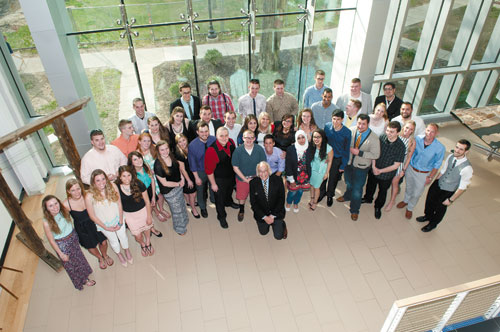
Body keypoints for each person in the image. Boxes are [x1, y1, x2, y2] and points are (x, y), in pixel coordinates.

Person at [417, 139, 473, 232]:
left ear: (466, 151)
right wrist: (435, 182)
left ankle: (433, 224)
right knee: (429, 201)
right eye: (457, 147)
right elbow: (443, 170)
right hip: (438, 183)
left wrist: (450, 200)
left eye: (461, 149)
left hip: (448, 190)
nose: (457, 150)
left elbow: (462, 187)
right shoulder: (451, 156)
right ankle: (428, 216)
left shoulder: (467, 168)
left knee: (440, 208)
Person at [42, 195, 95, 290]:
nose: (55, 207)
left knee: (80, 258)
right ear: (46, 209)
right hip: (63, 245)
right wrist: (61, 254)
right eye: (50, 206)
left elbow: (71, 199)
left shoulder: (63, 210)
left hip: (73, 238)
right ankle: (83, 280)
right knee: (72, 265)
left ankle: (86, 272)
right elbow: (51, 240)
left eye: (56, 203)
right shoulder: (46, 222)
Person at [85, 169, 133, 267]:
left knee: (123, 236)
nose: (101, 182)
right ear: (93, 182)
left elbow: (119, 203)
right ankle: (119, 254)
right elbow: (92, 216)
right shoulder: (89, 196)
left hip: (118, 218)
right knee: (113, 240)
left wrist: (120, 221)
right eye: (98, 180)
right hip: (104, 224)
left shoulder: (113, 186)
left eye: (103, 179)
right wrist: (105, 227)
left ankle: (127, 250)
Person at [397, 123, 445, 219]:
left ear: (436, 133)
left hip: (423, 174)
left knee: (417, 193)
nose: (429, 133)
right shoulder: (417, 139)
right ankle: (406, 201)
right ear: (425, 130)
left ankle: (410, 208)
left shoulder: (440, 148)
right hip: (411, 168)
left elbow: (437, 164)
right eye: (428, 130)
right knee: (409, 187)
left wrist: (430, 177)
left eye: (432, 132)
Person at [337, 114, 380, 221]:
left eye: (363, 124)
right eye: (359, 123)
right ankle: (347, 196)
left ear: (368, 124)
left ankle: (355, 210)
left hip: (361, 167)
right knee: (348, 182)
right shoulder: (350, 131)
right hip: (349, 164)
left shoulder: (374, 138)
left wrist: (360, 153)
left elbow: (376, 155)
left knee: (357, 189)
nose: (360, 126)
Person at [62, 179, 111, 270]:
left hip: (94, 222)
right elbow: (65, 221)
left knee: (103, 242)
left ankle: (105, 255)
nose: (77, 192)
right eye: (73, 190)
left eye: (78, 189)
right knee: (91, 246)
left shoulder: (88, 195)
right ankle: (100, 258)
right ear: (68, 191)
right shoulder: (66, 204)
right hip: (82, 228)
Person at [361, 121, 406, 219]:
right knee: (370, 185)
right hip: (374, 168)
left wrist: (380, 171)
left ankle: (378, 207)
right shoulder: (381, 137)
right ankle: (368, 198)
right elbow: (374, 152)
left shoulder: (401, 147)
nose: (388, 133)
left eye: (392, 132)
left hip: (386, 174)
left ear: (398, 133)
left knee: (382, 191)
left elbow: (396, 165)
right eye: (388, 130)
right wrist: (373, 166)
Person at [116, 166, 154, 257]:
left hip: (142, 211)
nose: (127, 178)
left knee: (147, 228)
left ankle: (148, 241)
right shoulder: (116, 187)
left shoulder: (138, 183)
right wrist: (122, 218)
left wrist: (149, 216)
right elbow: (118, 204)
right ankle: (142, 244)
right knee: (137, 236)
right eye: (124, 176)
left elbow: (147, 201)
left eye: (128, 175)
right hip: (129, 215)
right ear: (120, 177)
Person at [205, 127, 239, 228]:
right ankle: (221, 216)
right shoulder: (211, 150)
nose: (224, 138)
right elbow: (209, 170)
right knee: (219, 199)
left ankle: (229, 202)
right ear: (216, 136)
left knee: (229, 192)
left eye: (226, 135)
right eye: (221, 136)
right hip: (219, 179)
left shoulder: (231, 142)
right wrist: (213, 184)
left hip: (231, 176)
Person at [154, 140, 190, 235]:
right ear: (158, 151)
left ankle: (185, 220)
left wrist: (182, 178)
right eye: (162, 150)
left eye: (166, 149)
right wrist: (178, 184)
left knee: (182, 205)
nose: (165, 151)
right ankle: (180, 229)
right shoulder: (158, 165)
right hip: (170, 191)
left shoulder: (171, 156)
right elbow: (164, 183)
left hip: (178, 185)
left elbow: (178, 168)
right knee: (176, 211)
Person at [232, 129, 267, 221]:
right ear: (243, 138)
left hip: (257, 178)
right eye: (247, 137)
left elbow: (263, 164)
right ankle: (242, 210)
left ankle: (255, 208)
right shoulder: (238, 151)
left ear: (254, 139)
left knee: (256, 195)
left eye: (251, 138)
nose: (249, 140)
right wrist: (245, 179)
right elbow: (235, 167)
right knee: (242, 196)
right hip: (242, 178)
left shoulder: (259, 149)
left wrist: (259, 176)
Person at [136, 132, 171, 223]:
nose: (147, 143)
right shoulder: (137, 154)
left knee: (161, 194)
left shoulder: (154, 148)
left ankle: (161, 208)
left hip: (158, 175)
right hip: (148, 178)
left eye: (149, 141)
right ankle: (157, 211)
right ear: (139, 141)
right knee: (153, 196)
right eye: (144, 141)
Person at [128, 151, 164, 238]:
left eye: (139, 158)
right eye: (135, 159)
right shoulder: (132, 175)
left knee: (150, 210)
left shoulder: (145, 166)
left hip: (150, 190)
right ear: (131, 162)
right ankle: (152, 229)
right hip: (141, 195)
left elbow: (152, 180)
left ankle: (149, 227)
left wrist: (153, 196)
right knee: (146, 213)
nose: (139, 161)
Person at [320, 109, 351, 207]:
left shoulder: (347, 132)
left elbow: (346, 149)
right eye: (334, 119)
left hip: (337, 158)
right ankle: (322, 192)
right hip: (326, 156)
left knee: (333, 178)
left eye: (338, 119)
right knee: (323, 175)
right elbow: (323, 141)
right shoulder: (327, 127)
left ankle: (330, 195)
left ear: (342, 120)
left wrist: (343, 164)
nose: (335, 121)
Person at [250, 162, 288, 240]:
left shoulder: (278, 180)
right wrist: (265, 217)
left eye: (265, 171)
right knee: (263, 233)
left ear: (269, 171)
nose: (263, 174)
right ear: (257, 172)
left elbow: (281, 199)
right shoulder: (253, 183)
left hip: (276, 212)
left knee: (278, 236)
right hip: (262, 214)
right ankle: (269, 223)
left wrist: (272, 216)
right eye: (260, 171)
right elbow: (254, 203)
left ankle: (282, 224)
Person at [385, 121, 416, 211]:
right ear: (403, 128)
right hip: (390, 160)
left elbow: (409, 157)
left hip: (400, 164)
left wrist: (403, 170)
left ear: (413, 131)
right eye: (407, 128)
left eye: (411, 129)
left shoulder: (412, 142)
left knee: (395, 183)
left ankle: (392, 201)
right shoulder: (397, 135)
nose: (408, 130)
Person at [188, 121, 216, 218]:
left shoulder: (214, 140)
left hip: (212, 169)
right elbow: (192, 163)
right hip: (200, 171)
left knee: (213, 186)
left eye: (206, 131)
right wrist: (196, 178)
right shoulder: (192, 145)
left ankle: (214, 200)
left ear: (209, 131)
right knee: (200, 190)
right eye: (202, 132)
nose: (204, 134)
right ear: (197, 132)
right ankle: (203, 207)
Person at [285, 130, 312, 213]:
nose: (301, 140)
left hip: (305, 176)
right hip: (294, 175)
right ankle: (288, 202)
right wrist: (291, 179)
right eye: (299, 138)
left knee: (300, 192)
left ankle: (296, 203)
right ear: (296, 139)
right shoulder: (291, 149)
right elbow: (288, 165)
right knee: (292, 192)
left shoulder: (310, 148)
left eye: (303, 137)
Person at [175, 133, 200, 219]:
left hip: (192, 172)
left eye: (183, 140)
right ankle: (193, 209)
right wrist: (188, 180)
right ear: (177, 144)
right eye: (179, 142)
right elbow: (182, 169)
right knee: (192, 193)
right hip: (186, 176)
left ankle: (189, 202)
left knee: (189, 193)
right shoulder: (179, 153)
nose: (182, 143)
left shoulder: (190, 148)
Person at [308, 129, 333, 211]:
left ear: (323, 138)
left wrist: (327, 173)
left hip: (320, 171)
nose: (316, 139)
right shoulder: (312, 145)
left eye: (318, 137)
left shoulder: (328, 148)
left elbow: (329, 161)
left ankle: (315, 202)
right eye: (314, 137)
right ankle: (312, 199)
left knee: (316, 187)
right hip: (312, 169)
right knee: (311, 185)